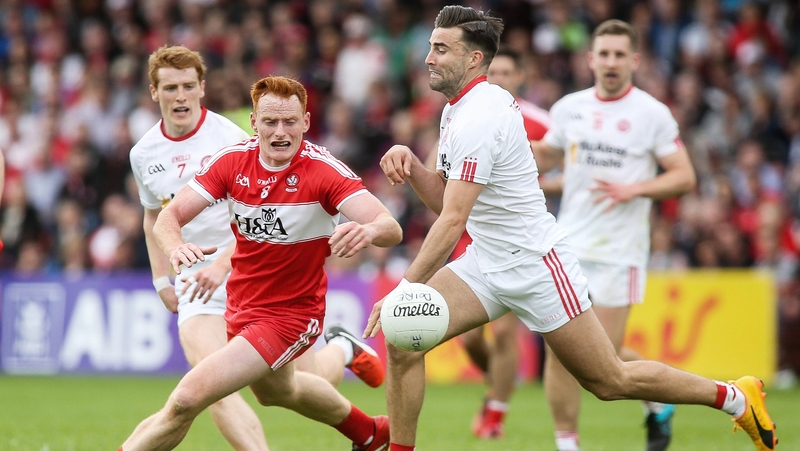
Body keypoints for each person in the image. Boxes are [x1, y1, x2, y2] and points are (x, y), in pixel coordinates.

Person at [368, 6, 776, 451]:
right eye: (430, 45)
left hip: (536, 265)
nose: (428, 56)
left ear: (473, 60)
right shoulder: (457, 110)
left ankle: (736, 397)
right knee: (403, 338)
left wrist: (404, 285)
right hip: (486, 262)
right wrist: (412, 166)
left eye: (441, 48)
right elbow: (445, 198)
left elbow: (452, 219)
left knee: (610, 379)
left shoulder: (480, 116)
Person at [120, 74, 401, 451]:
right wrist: (175, 249)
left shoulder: (324, 171)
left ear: (305, 121)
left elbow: (390, 226)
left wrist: (368, 233)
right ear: (254, 124)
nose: (280, 131)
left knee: (188, 397)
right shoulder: (233, 161)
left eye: (290, 122)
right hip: (242, 305)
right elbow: (168, 218)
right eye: (270, 122)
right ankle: (370, 430)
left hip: (291, 314)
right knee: (281, 392)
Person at [531, 19, 696, 451]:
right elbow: (549, 152)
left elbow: (683, 176)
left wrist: (636, 188)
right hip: (567, 244)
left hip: (620, 251)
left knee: (605, 356)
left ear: (635, 61)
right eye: (603, 53)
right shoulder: (570, 108)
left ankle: (656, 404)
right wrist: (504, 145)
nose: (610, 62)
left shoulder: (651, 114)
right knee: (561, 350)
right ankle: (567, 444)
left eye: (619, 54)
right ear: (590, 60)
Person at [459, 47, 551, 439]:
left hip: (514, 236)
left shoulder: (537, 121)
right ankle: (497, 382)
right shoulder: (466, 114)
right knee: (470, 338)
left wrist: (543, 180)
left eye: (507, 72)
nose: (499, 79)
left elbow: (569, 161)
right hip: (468, 231)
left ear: (520, 76)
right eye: (493, 72)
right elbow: (437, 167)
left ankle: (495, 413)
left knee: (503, 332)